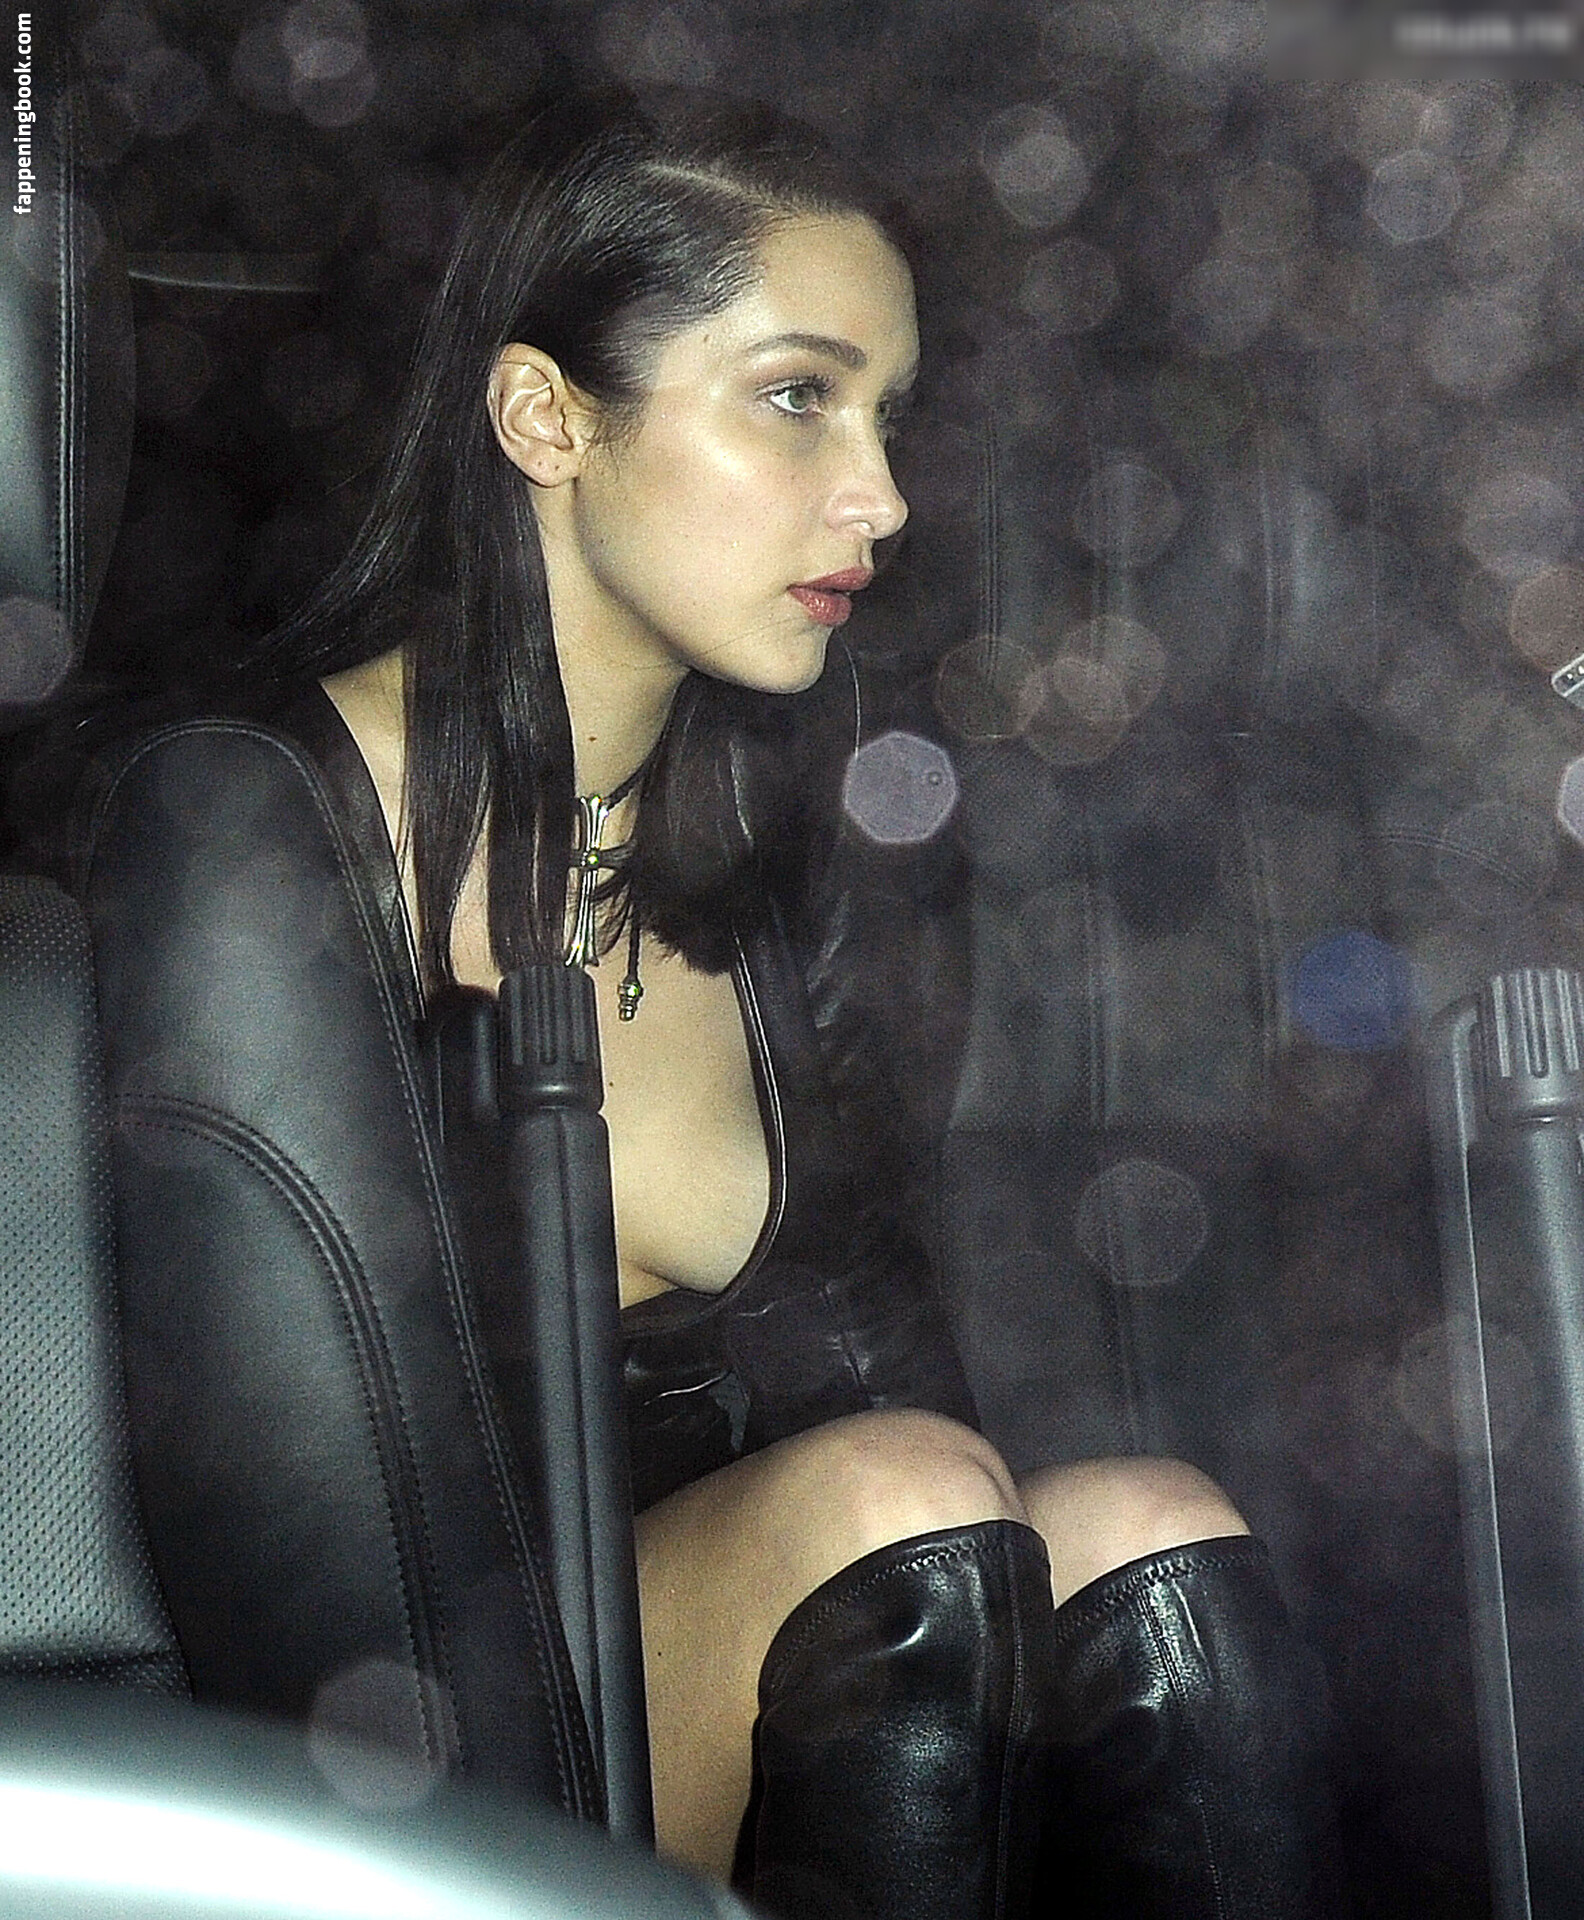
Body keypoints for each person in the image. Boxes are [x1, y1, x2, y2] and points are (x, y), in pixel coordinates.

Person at [97, 86, 1347, 1919]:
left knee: (1151, 1530)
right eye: (796, 397)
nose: (882, 495)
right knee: (895, 1501)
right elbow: (304, 1594)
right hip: (397, 1763)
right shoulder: (245, 824)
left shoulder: (791, 857)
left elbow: (920, 1429)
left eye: (888, 413)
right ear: (547, 417)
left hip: (794, 1696)